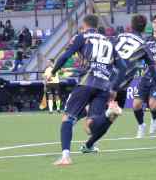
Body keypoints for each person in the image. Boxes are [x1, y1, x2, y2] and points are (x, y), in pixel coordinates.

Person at [82, 14, 156, 152]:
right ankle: (90, 142)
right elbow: (155, 73)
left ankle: (90, 142)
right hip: (121, 86)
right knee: (108, 119)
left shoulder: (120, 36)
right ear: (145, 27)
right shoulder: (144, 45)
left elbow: (105, 51)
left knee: (91, 124)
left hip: (105, 81)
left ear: (130, 26)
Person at [45, 14, 125, 166]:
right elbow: (123, 68)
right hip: (104, 86)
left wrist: (53, 72)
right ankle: (109, 113)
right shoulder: (109, 41)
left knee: (67, 118)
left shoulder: (81, 37)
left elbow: (65, 56)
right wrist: (114, 87)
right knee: (90, 127)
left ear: (84, 25)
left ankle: (65, 157)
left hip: (86, 82)